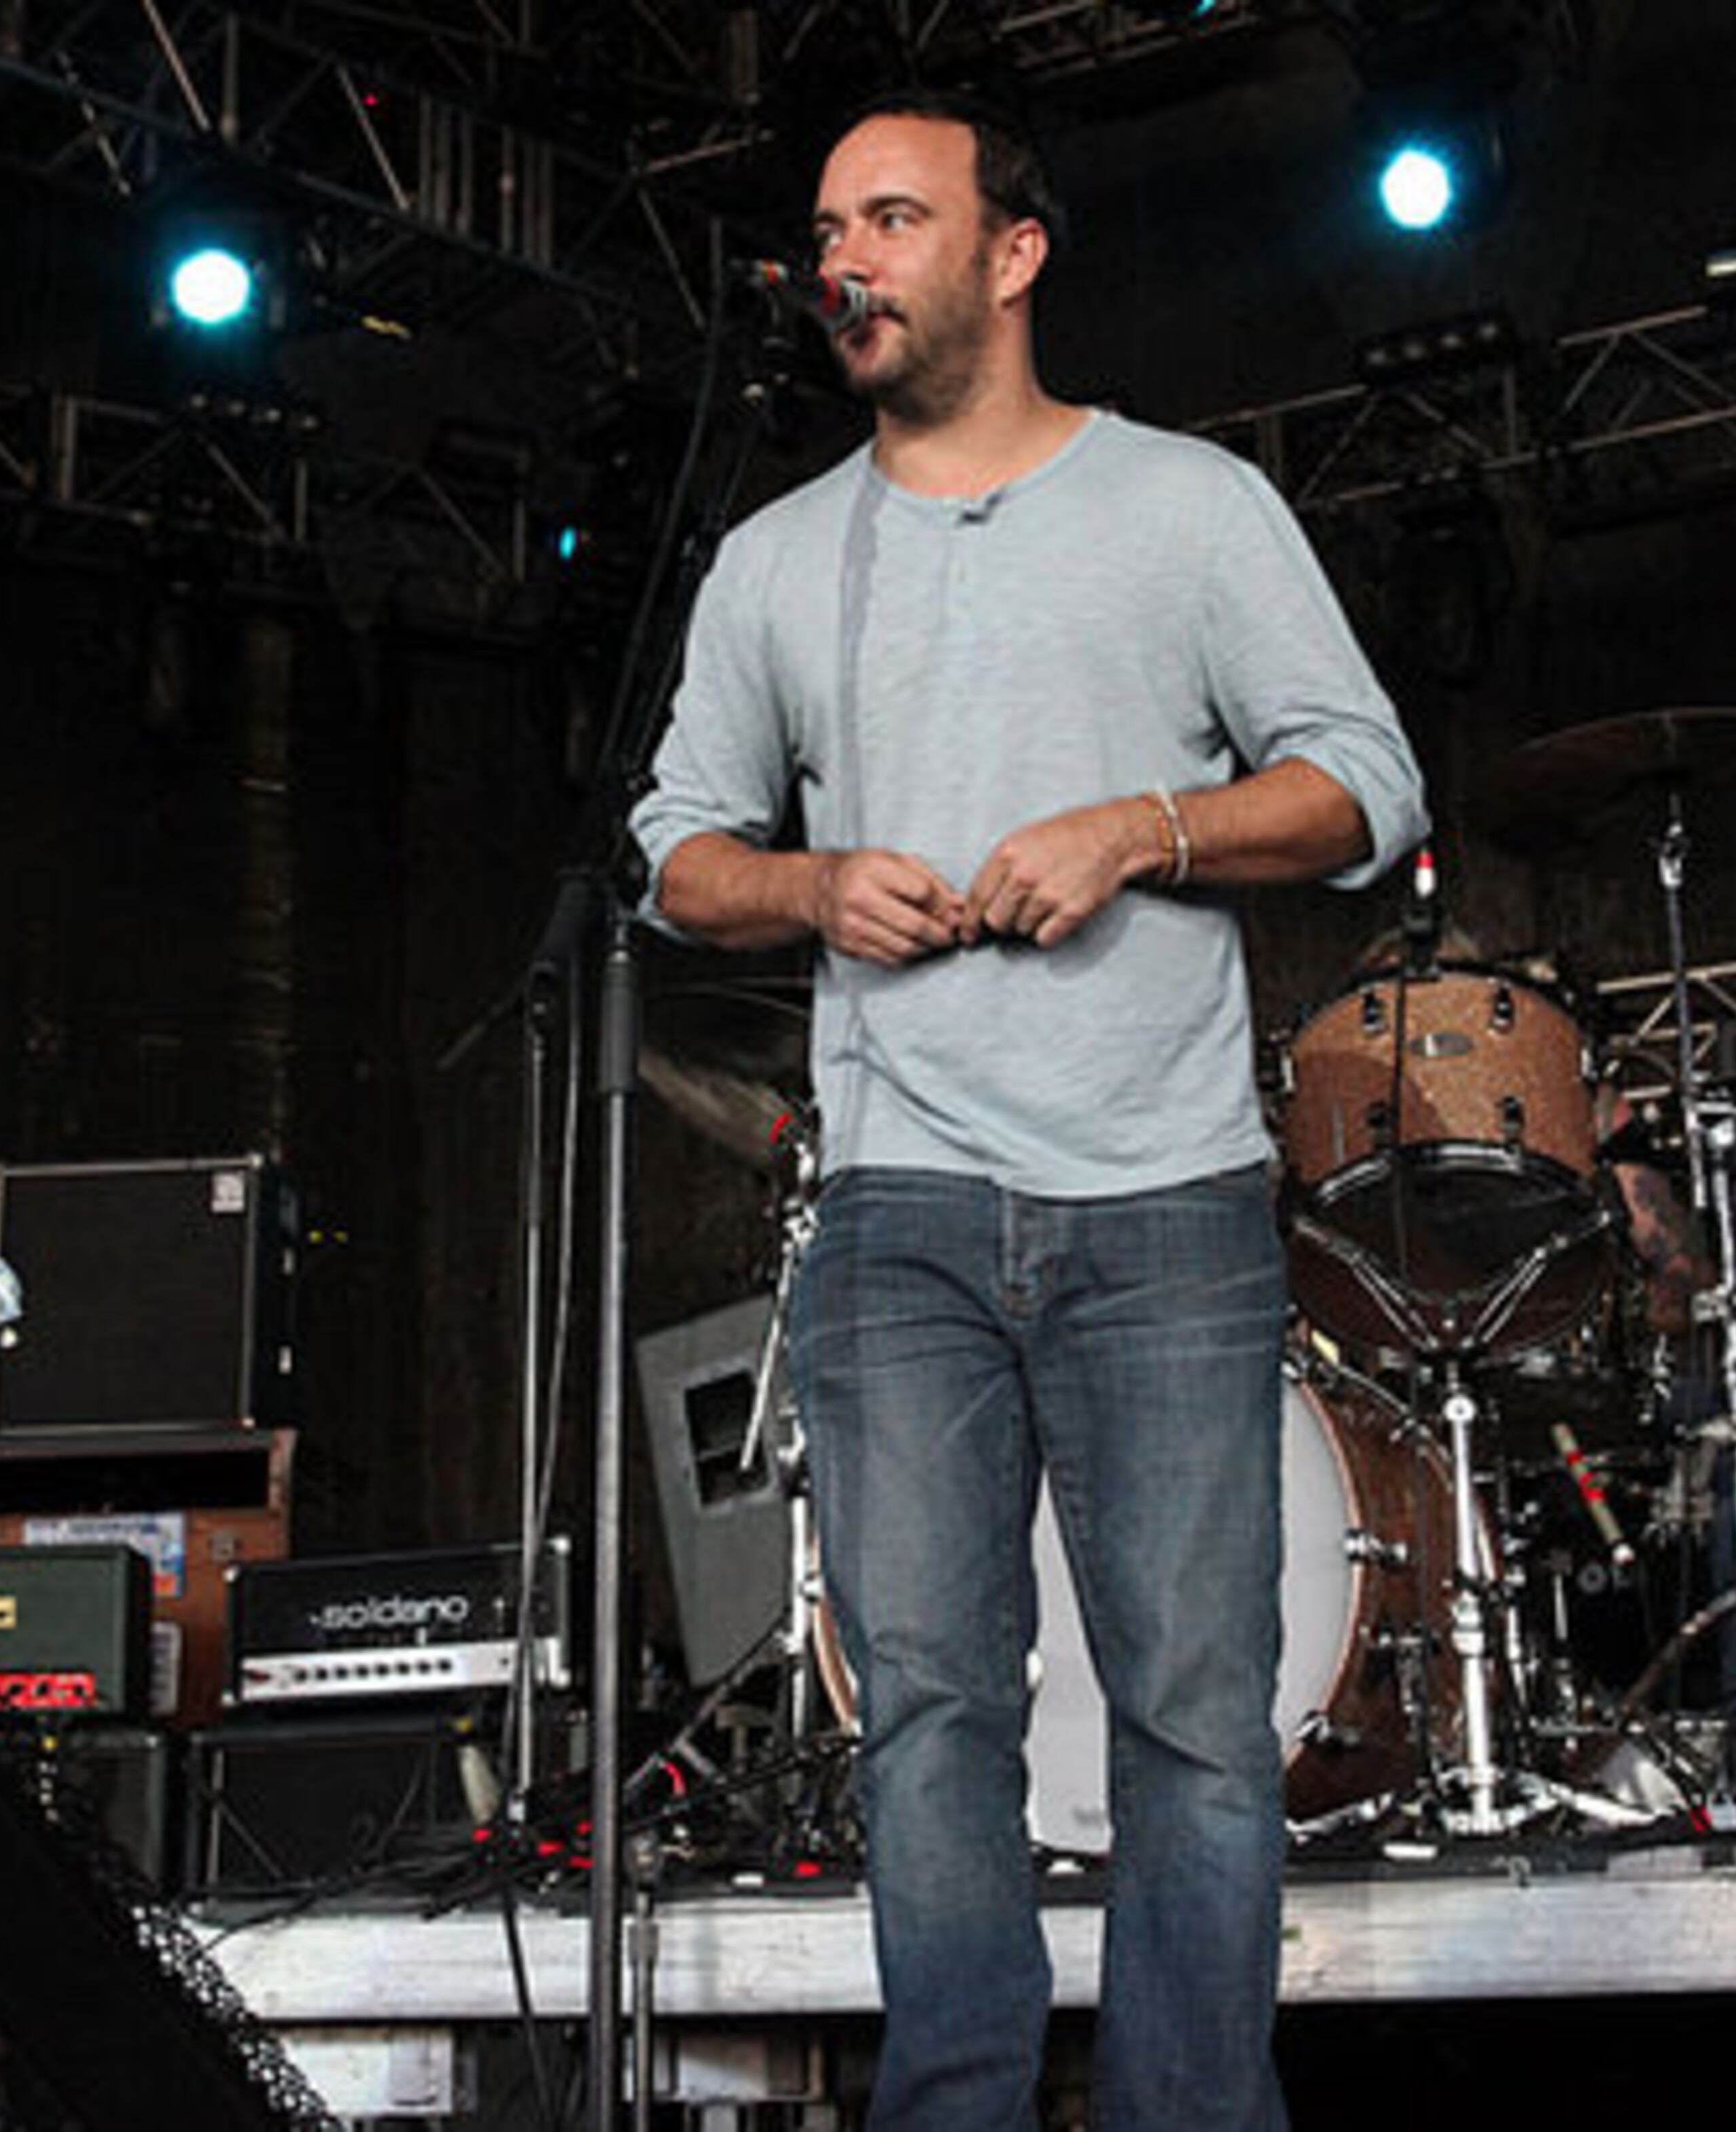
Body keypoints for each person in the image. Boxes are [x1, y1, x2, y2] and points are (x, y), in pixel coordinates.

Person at [629, 90, 1428, 2131]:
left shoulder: (1185, 508)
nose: (842, 260)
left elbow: (1362, 785)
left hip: (1157, 1200)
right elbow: (671, 850)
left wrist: (1143, 829)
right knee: (924, 1716)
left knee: (1188, 1714)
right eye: (824, 228)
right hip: (892, 1204)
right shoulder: (775, 555)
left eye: (890, 218)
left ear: (1010, 252)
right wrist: (807, 884)